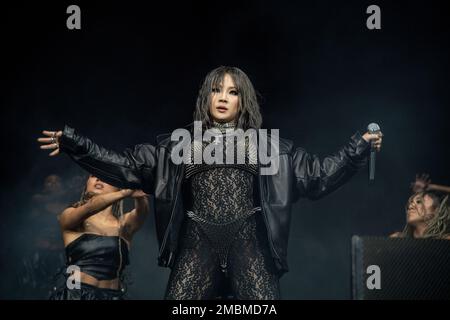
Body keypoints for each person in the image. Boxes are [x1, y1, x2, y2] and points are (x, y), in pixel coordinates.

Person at [38, 66, 383, 299]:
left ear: (242, 100)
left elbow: (319, 177)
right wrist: (76, 143)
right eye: (216, 90)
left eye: (232, 92)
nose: (223, 96)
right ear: (206, 96)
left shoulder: (271, 148)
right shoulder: (178, 144)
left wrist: (359, 148)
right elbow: (125, 166)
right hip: (197, 242)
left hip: (249, 245)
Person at [49, 174, 149, 300]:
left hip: (112, 296)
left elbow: (142, 213)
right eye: (93, 175)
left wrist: (139, 195)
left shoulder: (123, 225)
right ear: (86, 184)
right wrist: (124, 193)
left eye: (106, 177)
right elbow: (90, 207)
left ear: (117, 187)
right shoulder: (70, 214)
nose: (98, 179)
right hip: (76, 294)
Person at [391, 174, 450, 240]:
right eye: (409, 204)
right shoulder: (398, 239)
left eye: (419, 202)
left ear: (436, 211)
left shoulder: (444, 241)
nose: (410, 206)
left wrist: (431, 187)